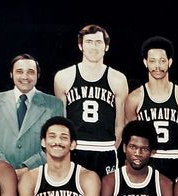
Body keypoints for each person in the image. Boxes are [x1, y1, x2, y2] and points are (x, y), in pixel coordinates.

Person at [54, 24, 129, 178]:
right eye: (89, 42)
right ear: (80, 45)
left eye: (98, 42)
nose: (93, 47)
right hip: (75, 149)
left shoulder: (118, 79)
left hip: (105, 150)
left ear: (106, 47)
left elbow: (120, 123)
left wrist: (110, 147)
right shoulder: (63, 77)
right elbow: (61, 121)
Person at [124, 36, 178, 182]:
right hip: (147, 161)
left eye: (162, 60)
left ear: (170, 62)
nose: (157, 66)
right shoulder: (135, 98)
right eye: (152, 61)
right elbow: (129, 139)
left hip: (175, 160)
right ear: (145, 62)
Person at [0, 54, 65, 175]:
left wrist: (27, 169)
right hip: (0, 174)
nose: (25, 77)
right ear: (11, 74)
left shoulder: (54, 104)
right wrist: (7, 169)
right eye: (19, 71)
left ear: (38, 75)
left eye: (30, 72)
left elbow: (56, 144)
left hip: (39, 175)